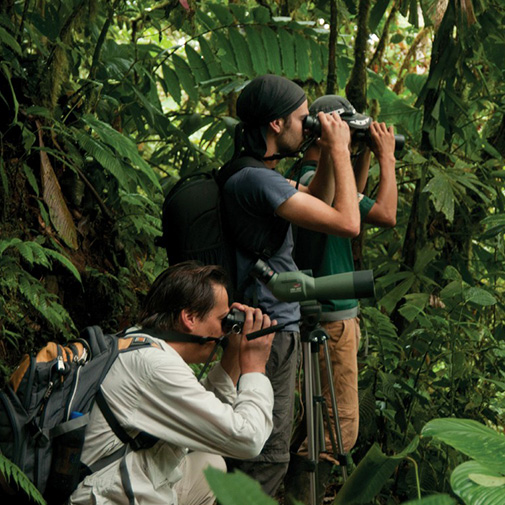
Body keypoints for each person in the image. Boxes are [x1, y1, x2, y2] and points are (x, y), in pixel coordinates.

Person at [221, 75, 362, 496]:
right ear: (277, 125)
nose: (310, 125)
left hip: (270, 324)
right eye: (305, 118)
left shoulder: (257, 174)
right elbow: (348, 223)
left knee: (259, 443)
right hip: (268, 330)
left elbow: (316, 198)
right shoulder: (258, 180)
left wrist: (328, 157)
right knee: (268, 454)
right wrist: (338, 149)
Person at [69, 261, 276, 505]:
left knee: (209, 465)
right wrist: (255, 368)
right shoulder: (156, 366)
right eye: (223, 320)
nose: (225, 330)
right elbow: (247, 440)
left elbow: (204, 417)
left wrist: (233, 355)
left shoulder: (137, 340)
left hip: (109, 477)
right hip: (98, 494)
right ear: (188, 317)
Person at [290, 95, 397, 473]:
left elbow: (349, 198)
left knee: (313, 417)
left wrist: (362, 151)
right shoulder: (310, 181)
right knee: (337, 430)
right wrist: (387, 155)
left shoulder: (305, 180)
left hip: (320, 312)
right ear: (324, 134)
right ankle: (307, 493)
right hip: (331, 318)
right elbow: (385, 214)